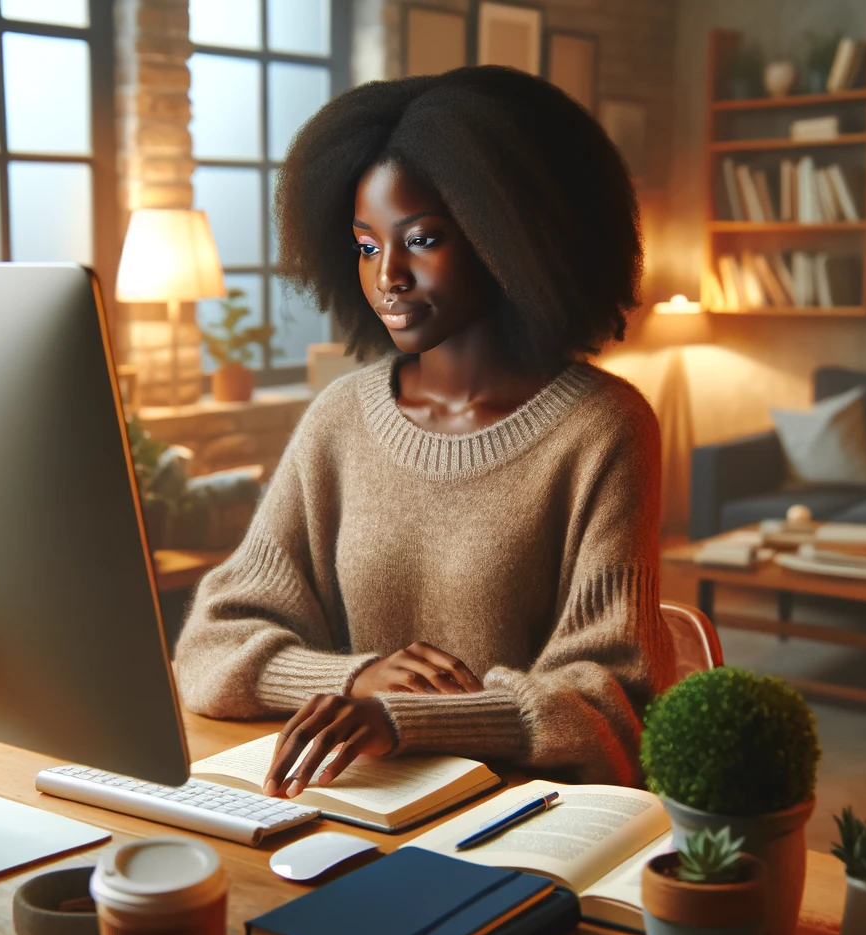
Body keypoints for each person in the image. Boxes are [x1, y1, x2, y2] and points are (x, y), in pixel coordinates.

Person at [174, 66, 674, 799]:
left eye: (423, 239)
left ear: (510, 238)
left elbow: (614, 705)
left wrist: (407, 717)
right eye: (367, 246)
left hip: (515, 821)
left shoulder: (604, 429)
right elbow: (209, 644)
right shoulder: (340, 419)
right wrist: (353, 678)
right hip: (353, 804)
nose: (388, 278)